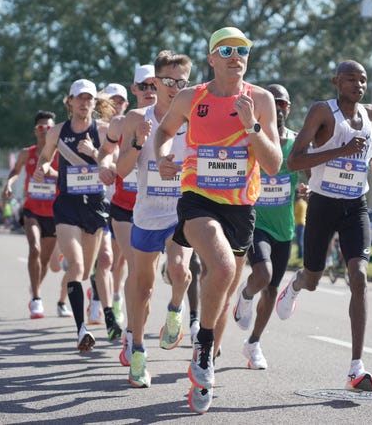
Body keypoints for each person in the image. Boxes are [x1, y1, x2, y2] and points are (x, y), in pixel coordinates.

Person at [154, 27, 282, 413]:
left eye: (242, 49)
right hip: (198, 199)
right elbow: (164, 130)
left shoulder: (260, 100)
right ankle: (204, 347)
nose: (235, 56)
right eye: (226, 50)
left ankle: (205, 362)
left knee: (224, 293)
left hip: (241, 206)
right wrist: (162, 155)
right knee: (223, 269)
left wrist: (251, 127)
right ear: (211, 58)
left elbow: (274, 164)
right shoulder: (193, 97)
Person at [276, 60, 372, 393]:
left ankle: (356, 367)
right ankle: (295, 284)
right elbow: (294, 160)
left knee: (360, 275)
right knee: (313, 277)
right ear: (336, 81)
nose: (359, 85)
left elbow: (363, 151)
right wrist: (341, 149)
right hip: (323, 203)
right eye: (351, 79)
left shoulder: (370, 114)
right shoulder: (322, 113)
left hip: (356, 205)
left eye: (363, 80)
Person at [116, 50, 194, 388]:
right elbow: (120, 170)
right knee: (143, 286)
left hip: (183, 210)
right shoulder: (137, 117)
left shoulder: (196, 117)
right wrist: (137, 142)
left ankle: (175, 312)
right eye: (168, 81)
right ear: (155, 82)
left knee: (180, 270)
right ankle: (137, 353)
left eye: (182, 82)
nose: (175, 87)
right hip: (147, 212)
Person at [33, 78, 120, 352]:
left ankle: (105, 312)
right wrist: (42, 168)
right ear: (69, 101)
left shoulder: (104, 130)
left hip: (94, 206)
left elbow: (112, 163)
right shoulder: (58, 131)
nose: (84, 103)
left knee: (94, 267)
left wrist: (94, 153)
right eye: (79, 98)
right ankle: (82, 329)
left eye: (89, 98)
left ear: (95, 103)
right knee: (77, 268)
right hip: (67, 206)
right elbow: (45, 157)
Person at [232, 83, 299, 370]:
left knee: (271, 290)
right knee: (263, 274)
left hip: (284, 227)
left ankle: (254, 343)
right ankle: (245, 296)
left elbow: (309, 171)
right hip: (256, 223)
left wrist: (307, 188)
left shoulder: (297, 143)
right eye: (275, 103)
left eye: (283, 103)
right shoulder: (252, 138)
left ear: (288, 107)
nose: (280, 108)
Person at [97, 65, 158, 356]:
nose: (149, 92)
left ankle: (136, 327)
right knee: (135, 269)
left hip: (160, 208)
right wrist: (105, 166)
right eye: (143, 86)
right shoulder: (121, 122)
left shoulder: (175, 120)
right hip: (124, 207)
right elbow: (105, 153)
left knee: (150, 279)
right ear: (133, 89)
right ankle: (134, 338)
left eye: (153, 85)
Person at [2, 110, 72, 319]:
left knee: (44, 259)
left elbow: (68, 178)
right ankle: (37, 299)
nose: (45, 132)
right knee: (34, 248)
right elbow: (15, 171)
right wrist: (9, 184)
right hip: (32, 210)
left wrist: (53, 173)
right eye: (41, 128)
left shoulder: (61, 154)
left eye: (49, 128)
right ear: (35, 131)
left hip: (53, 212)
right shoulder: (27, 153)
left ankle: (35, 290)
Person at [294, 196, 307, 261]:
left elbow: (294, 212)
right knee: (301, 240)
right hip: (303, 223)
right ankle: (301, 255)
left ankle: (300, 255)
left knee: (299, 240)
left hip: (299, 223)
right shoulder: (304, 203)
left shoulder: (299, 203)